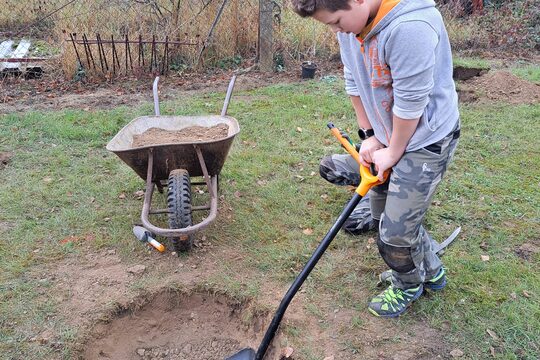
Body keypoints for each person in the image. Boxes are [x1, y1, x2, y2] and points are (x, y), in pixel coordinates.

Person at [291, 0, 460, 317]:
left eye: (338, 22)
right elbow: (353, 80)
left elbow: (411, 104)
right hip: (389, 133)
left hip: (426, 137)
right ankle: (432, 271)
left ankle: (408, 284)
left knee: (395, 234)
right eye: (330, 26)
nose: (337, 30)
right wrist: (370, 136)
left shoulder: (410, 27)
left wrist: (392, 151)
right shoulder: (350, 26)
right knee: (389, 216)